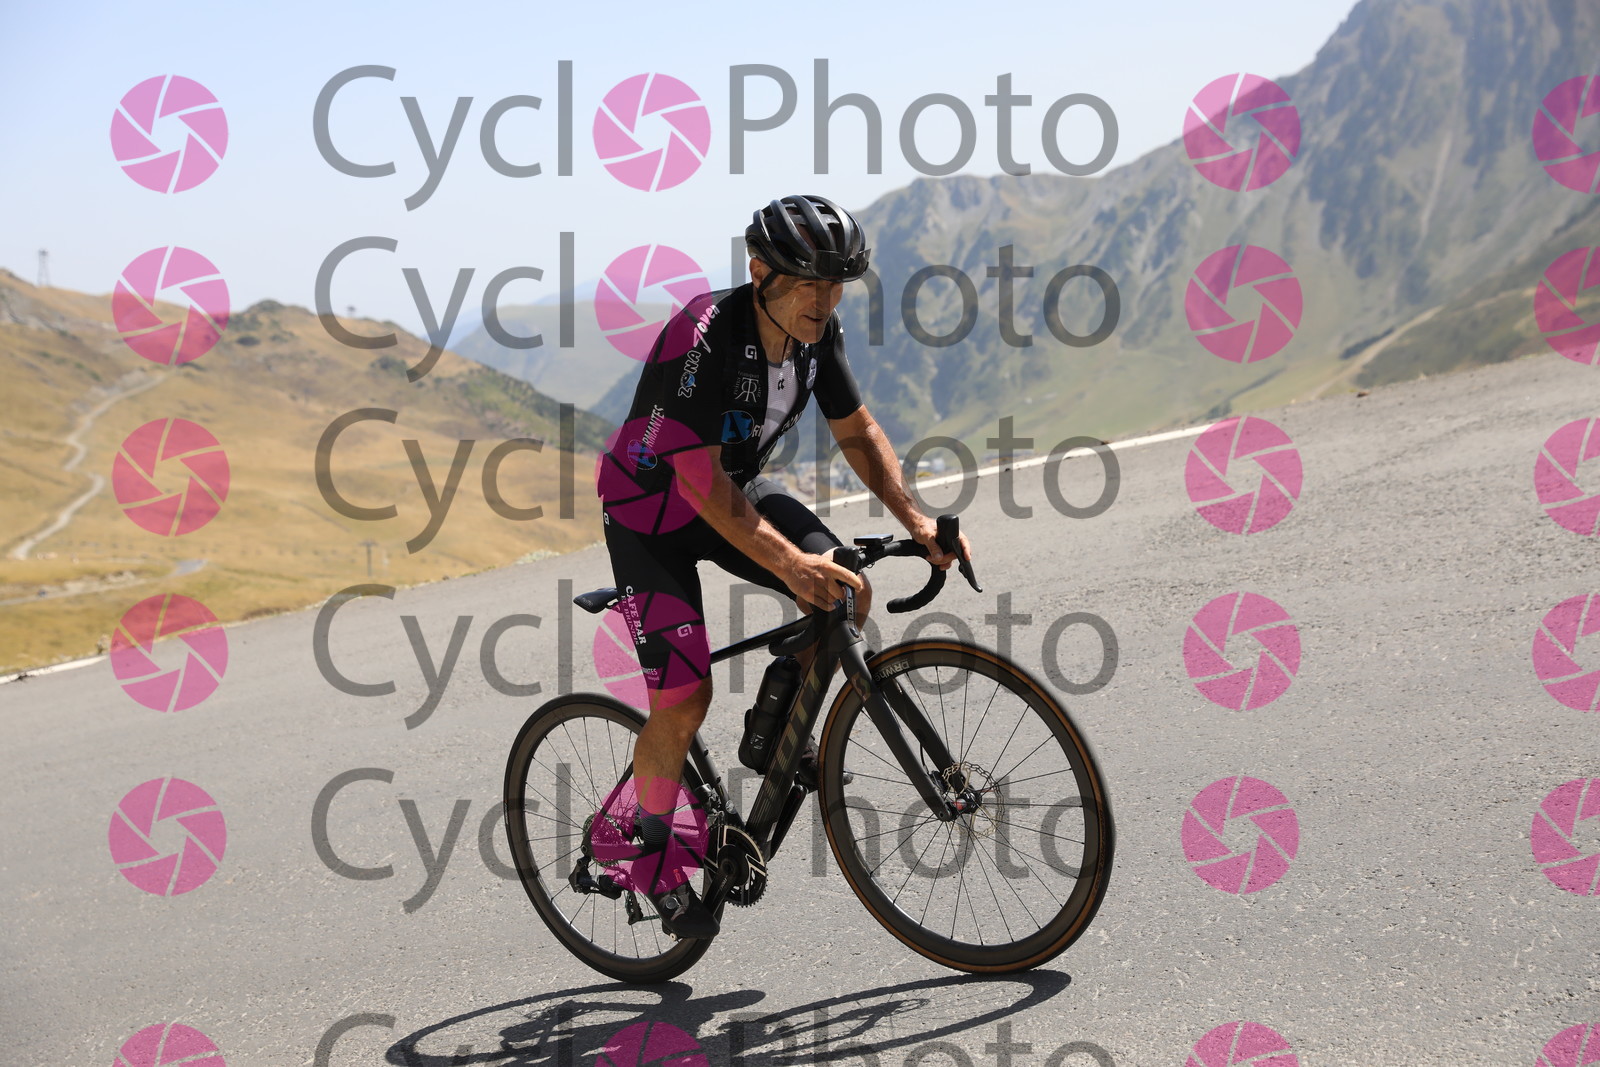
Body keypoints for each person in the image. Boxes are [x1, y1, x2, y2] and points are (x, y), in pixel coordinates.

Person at [598, 194, 974, 938]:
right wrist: (789, 560)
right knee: (684, 694)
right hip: (650, 511)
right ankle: (644, 851)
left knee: (846, 590)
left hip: (730, 489)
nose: (823, 301)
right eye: (808, 283)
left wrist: (919, 521)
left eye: (835, 286)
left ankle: (778, 732)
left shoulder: (816, 335)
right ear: (760, 272)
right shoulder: (703, 333)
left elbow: (858, 431)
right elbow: (695, 476)